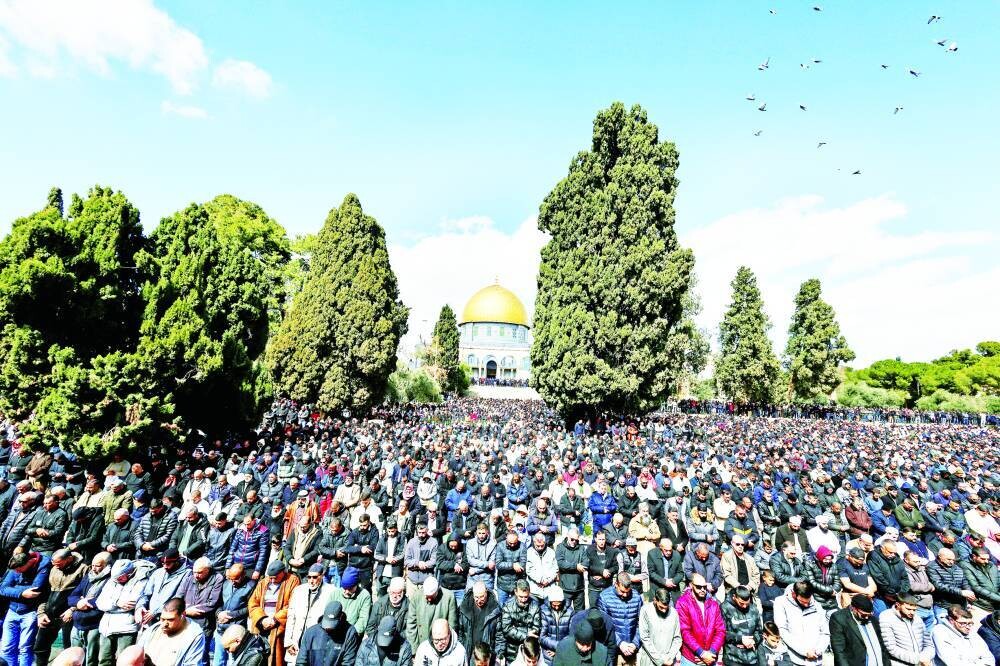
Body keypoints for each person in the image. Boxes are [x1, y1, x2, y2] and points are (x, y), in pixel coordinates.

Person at [34, 548, 88, 666]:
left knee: (70, 651)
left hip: (69, 615)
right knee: (40, 647)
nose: (56, 566)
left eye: (58, 563)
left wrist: (72, 609)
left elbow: (85, 595)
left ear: (69, 559)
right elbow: (45, 593)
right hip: (50, 613)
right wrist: (41, 613)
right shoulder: (54, 568)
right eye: (54, 564)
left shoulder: (83, 569)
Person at [0, 550, 51, 666]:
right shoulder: (16, 564)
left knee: (25, 648)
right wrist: (22, 593)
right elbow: (2, 588)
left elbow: (36, 589)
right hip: (12, 610)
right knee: (7, 647)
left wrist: (13, 588)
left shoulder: (43, 566)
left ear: (29, 562)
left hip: (30, 611)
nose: (16, 572)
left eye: (19, 570)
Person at [247, 560, 300, 666]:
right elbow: (253, 603)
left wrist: (275, 619)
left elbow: (292, 604)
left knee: (276, 659)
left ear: (282, 572)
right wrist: (262, 619)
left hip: (279, 627)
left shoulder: (292, 580)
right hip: (262, 625)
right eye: (270, 577)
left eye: (275, 578)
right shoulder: (263, 582)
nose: (271, 580)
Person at [284, 563, 336, 665]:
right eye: (309, 577)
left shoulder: (331, 592)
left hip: (316, 643)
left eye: (315, 577)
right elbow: (291, 617)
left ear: (322, 576)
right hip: (295, 642)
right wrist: (288, 642)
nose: (311, 581)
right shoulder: (299, 590)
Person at [772, 580, 829, 666]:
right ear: (794, 594)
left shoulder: (817, 605)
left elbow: (825, 632)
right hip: (793, 660)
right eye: (803, 602)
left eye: (808, 602)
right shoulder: (780, 602)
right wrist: (804, 651)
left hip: (816, 659)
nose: (806, 605)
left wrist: (818, 650)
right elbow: (782, 630)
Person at [138, 597, 205, 666]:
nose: (164, 624)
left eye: (170, 620)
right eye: (162, 619)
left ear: (183, 615)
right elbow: (137, 652)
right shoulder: (153, 629)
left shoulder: (194, 635)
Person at [675, 573, 725, 666]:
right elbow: (684, 631)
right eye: (699, 587)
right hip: (691, 659)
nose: (702, 589)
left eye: (704, 587)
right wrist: (701, 653)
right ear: (691, 585)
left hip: (711, 657)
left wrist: (711, 653)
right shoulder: (682, 603)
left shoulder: (714, 604)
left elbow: (720, 630)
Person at [829, 595, 890, 666]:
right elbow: (839, 650)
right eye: (863, 615)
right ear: (853, 608)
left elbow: (882, 646)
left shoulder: (872, 619)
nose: (866, 618)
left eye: (869, 615)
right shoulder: (839, 618)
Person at [295, 600, 360, 666]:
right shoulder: (311, 632)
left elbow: (348, 662)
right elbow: (301, 661)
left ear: (340, 618)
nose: (328, 628)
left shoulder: (350, 633)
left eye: (332, 625)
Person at [878, 593, 934, 666]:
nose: (912, 612)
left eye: (914, 610)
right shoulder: (886, 617)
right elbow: (891, 648)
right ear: (898, 605)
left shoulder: (917, 618)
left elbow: (928, 644)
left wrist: (925, 657)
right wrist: (918, 659)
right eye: (908, 609)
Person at [406, 577, 459, 650]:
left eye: (432, 596)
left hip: (441, 644)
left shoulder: (449, 597)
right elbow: (411, 625)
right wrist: (414, 649)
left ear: (438, 590)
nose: (429, 599)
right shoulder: (417, 597)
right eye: (427, 596)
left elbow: (452, 625)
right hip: (421, 644)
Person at [498, 579, 542, 664]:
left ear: (529, 593)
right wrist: (526, 634)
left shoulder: (535, 605)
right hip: (512, 649)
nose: (523, 600)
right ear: (515, 592)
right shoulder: (508, 605)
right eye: (521, 597)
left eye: (526, 597)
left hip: (530, 648)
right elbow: (506, 629)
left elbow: (536, 627)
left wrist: (516, 630)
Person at [637, 587, 681, 666]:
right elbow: (645, 638)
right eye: (661, 607)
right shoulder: (645, 610)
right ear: (655, 600)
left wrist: (670, 657)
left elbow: (677, 638)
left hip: (668, 660)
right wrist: (660, 660)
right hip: (650, 660)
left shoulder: (674, 613)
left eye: (666, 608)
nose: (664, 610)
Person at [721, 586, 762, 666]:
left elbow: (760, 632)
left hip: (752, 657)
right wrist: (741, 639)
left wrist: (754, 640)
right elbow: (721, 633)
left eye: (747, 603)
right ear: (734, 597)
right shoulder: (725, 608)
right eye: (741, 603)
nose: (744, 606)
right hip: (733, 658)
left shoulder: (753, 609)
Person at [458, 581, 501, 656]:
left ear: (486, 593)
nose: (479, 600)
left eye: (482, 597)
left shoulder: (495, 609)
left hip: (487, 653)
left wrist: (498, 654)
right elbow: (460, 631)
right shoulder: (464, 607)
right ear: (473, 594)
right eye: (476, 597)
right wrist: (462, 650)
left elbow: (499, 635)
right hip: (469, 651)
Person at [539, 587, 572, 662]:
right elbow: (542, 636)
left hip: (565, 649)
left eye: (559, 605)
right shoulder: (543, 611)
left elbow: (571, 635)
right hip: (548, 650)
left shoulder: (570, 611)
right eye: (554, 605)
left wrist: (560, 649)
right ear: (550, 602)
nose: (556, 608)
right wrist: (557, 647)